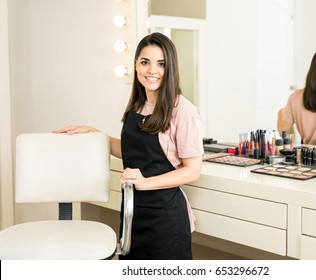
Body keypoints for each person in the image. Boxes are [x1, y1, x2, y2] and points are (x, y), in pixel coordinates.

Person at [54, 32, 204, 260]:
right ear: (136, 65)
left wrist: (145, 183)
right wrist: (97, 136)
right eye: (145, 62)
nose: (152, 70)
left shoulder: (183, 111)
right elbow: (132, 152)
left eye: (161, 64)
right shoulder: (137, 105)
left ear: (170, 68)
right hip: (133, 212)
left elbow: (193, 170)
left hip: (165, 217)